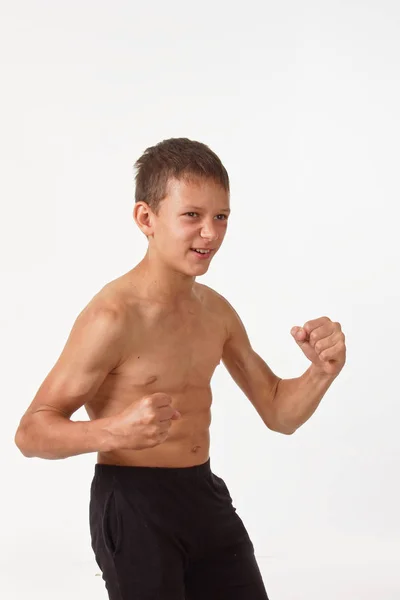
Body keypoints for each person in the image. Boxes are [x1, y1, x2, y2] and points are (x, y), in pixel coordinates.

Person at [14, 137, 346, 599]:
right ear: (146, 218)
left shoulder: (217, 312)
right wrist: (114, 432)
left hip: (202, 492)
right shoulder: (112, 317)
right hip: (132, 502)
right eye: (192, 215)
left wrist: (321, 370)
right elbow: (30, 432)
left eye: (221, 217)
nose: (210, 233)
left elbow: (279, 412)